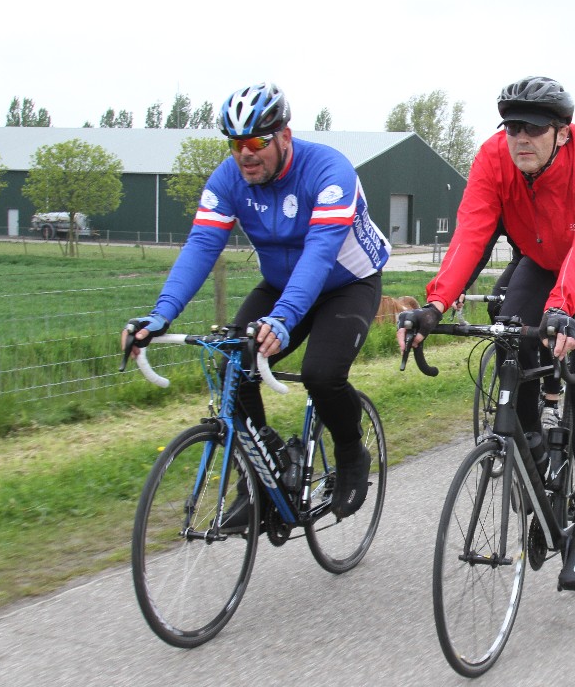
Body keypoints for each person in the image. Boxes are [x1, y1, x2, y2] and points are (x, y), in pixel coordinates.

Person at [397, 76, 575, 593]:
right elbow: (472, 232)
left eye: (534, 128)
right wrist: (435, 304)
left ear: (562, 132)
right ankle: (534, 457)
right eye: (512, 127)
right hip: (543, 259)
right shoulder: (493, 159)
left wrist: (561, 307)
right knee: (511, 340)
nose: (521, 138)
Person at [122, 82, 390, 526]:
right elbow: (202, 245)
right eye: (236, 144)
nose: (245, 154)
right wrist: (161, 313)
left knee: (321, 374)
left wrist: (283, 318)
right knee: (234, 364)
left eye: (257, 142)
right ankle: (262, 474)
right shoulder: (228, 180)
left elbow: (320, 252)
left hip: (347, 283)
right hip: (282, 284)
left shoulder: (329, 171)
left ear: (285, 136)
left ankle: (350, 451)